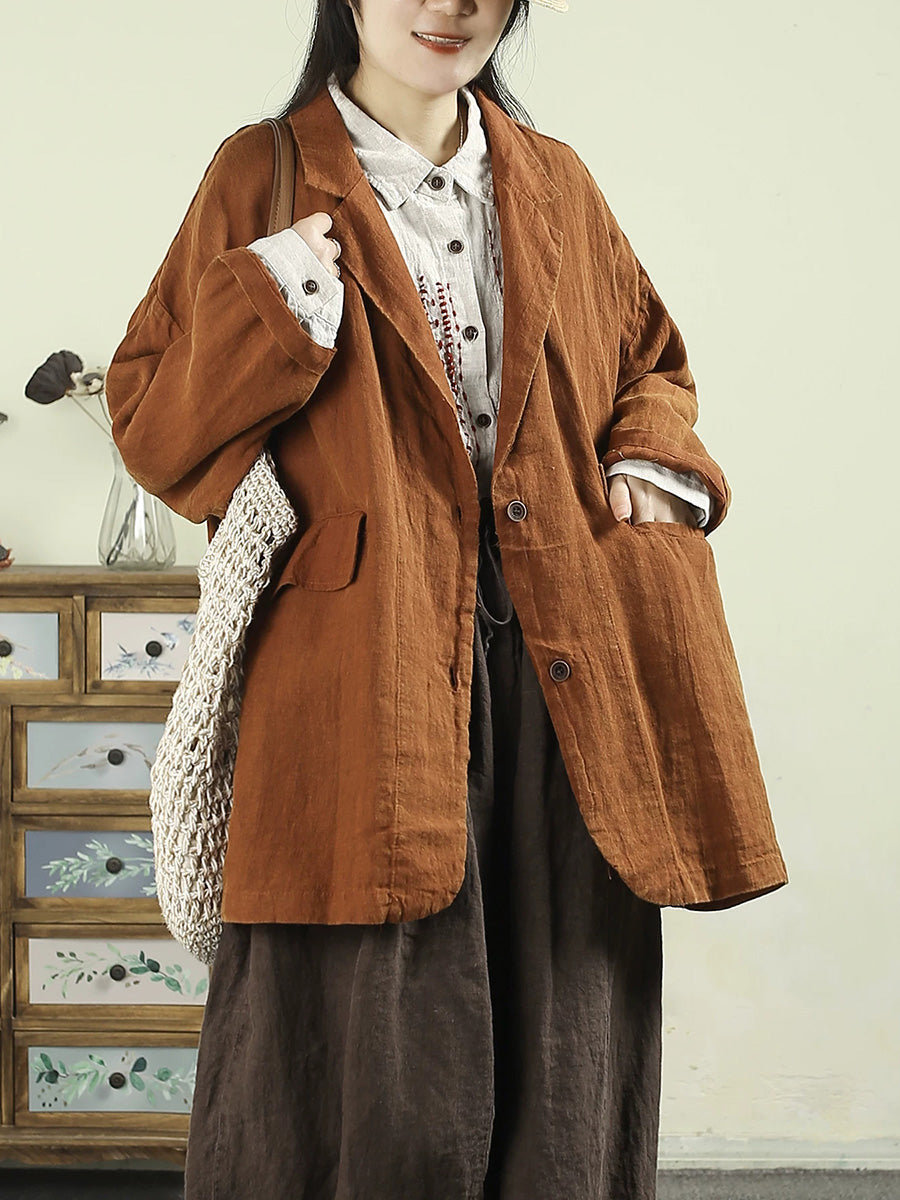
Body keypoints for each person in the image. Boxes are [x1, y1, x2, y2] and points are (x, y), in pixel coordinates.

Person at [105, 1, 789, 1196]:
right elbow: (157, 429)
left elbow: (650, 365)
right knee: (363, 1048)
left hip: (564, 669)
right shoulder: (261, 173)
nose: (448, 5)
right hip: (355, 668)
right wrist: (275, 298)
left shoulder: (555, 180)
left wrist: (649, 461)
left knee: (567, 1023)